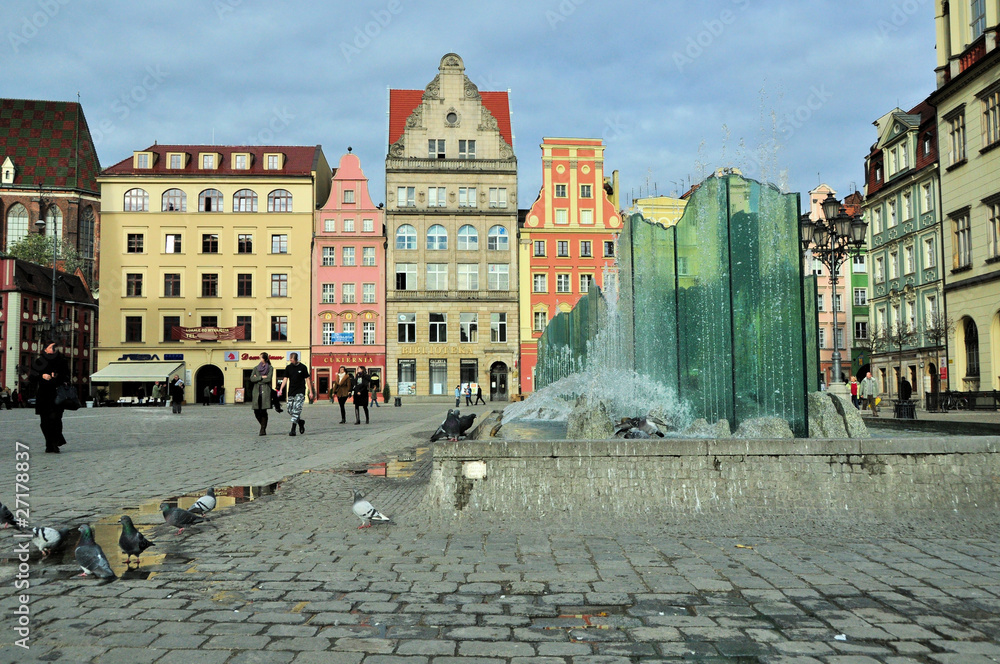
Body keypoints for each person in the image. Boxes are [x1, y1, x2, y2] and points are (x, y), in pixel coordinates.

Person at [29, 341, 70, 453]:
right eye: (51, 347)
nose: (53, 349)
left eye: (55, 347)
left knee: (56, 420)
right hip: (43, 395)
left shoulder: (62, 361)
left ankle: (55, 443)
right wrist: (42, 376)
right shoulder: (39, 362)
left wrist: (56, 376)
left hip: (57, 395)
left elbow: (67, 377)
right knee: (45, 422)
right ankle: (49, 443)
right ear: (45, 349)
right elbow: (31, 378)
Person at [277, 352, 313, 436]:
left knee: (296, 409)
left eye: (291, 359)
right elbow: (285, 379)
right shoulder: (288, 367)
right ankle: (300, 422)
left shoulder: (303, 367)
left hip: (300, 391)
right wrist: (281, 389)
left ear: (296, 359)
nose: (290, 360)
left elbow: (307, 379)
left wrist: (310, 391)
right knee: (290, 410)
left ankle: (293, 430)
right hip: (291, 391)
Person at [249, 352, 274, 436]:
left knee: (263, 411)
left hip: (265, 392)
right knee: (256, 411)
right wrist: (261, 377)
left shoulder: (270, 368)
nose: (259, 359)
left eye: (261, 358)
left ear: (265, 359)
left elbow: (268, 379)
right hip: (256, 392)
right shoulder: (256, 368)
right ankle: (262, 425)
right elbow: (252, 379)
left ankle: (262, 429)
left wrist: (257, 379)